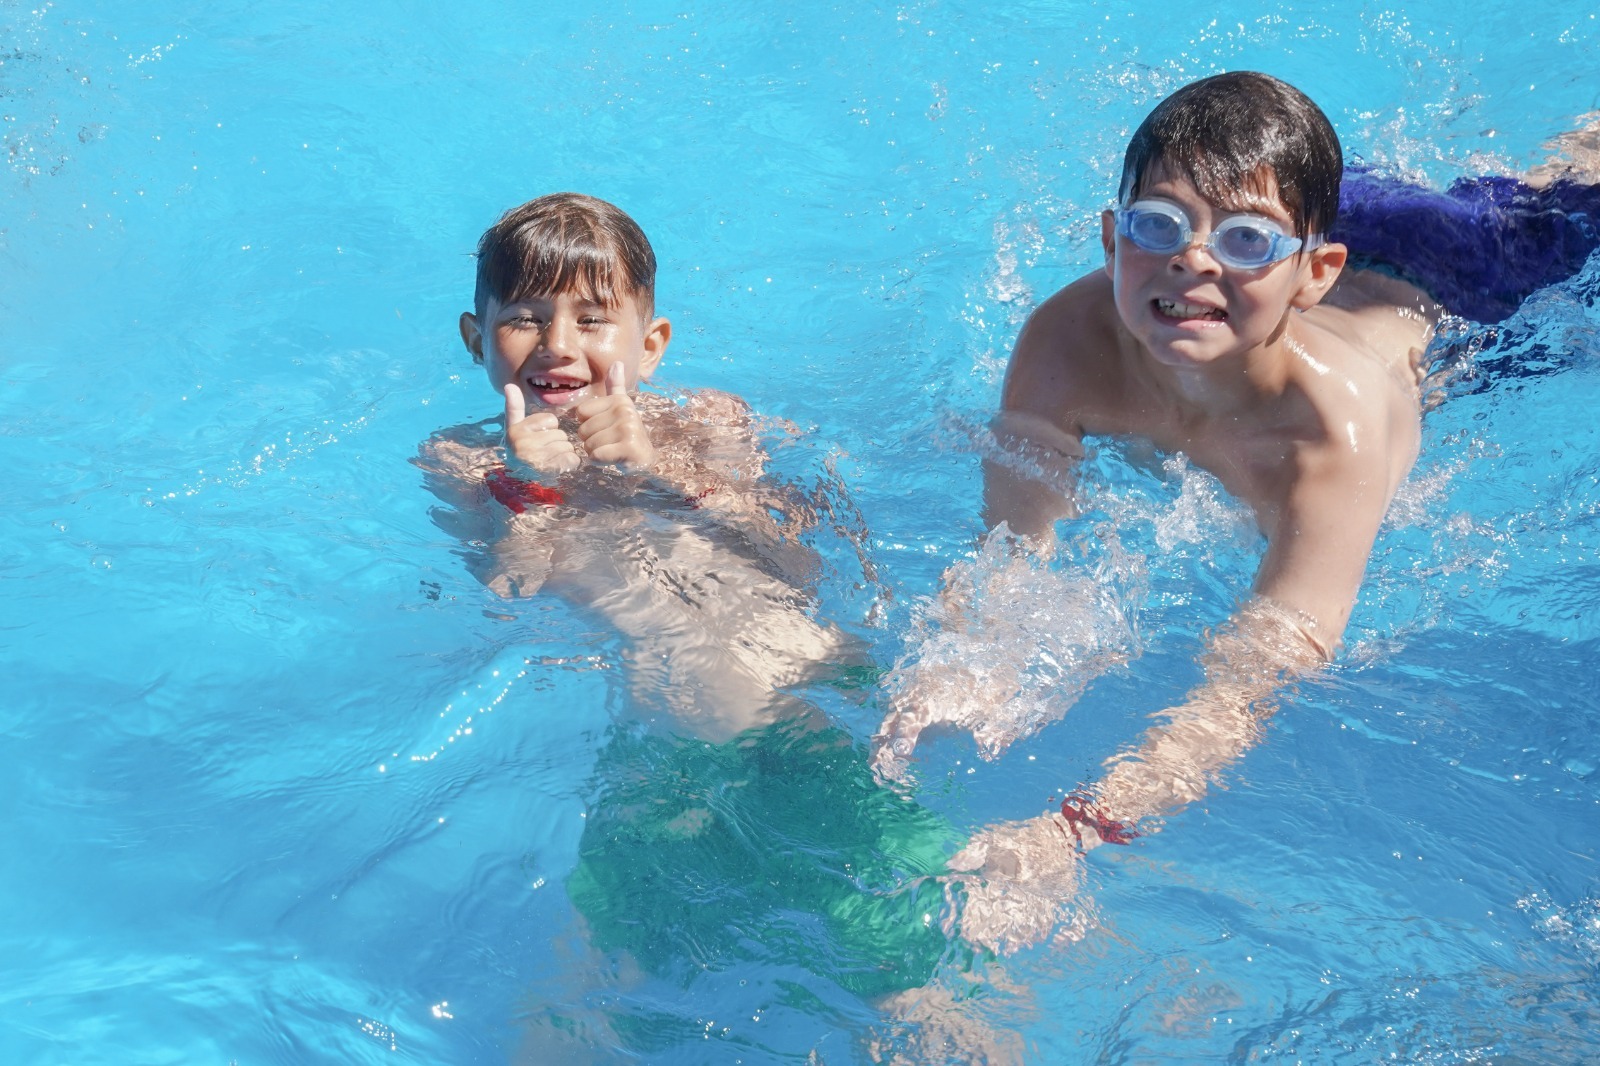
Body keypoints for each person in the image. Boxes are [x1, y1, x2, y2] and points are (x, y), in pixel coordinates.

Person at [871, 73, 1600, 955]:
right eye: (1158, 225)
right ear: (1111, 241)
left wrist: (1077, 830)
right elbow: (1015, 539)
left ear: (1314, 275)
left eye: (1239, 240)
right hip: (1326, 214)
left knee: (1569, 181)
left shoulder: (1328, 439)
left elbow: (1254, 677)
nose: (1193, 260)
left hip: (1472, 288)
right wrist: (967, 661)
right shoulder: (1068, 341)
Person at [418, 194, 989, 1053]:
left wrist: (654, 472)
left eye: (592, 319)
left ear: (650, 345)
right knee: (594, 986)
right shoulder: (464, 460)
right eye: (524, 319)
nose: (558, 344)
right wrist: (535, 486)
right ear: (477, 338)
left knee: (916, 974)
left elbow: (792, 562)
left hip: (804, 715)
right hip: (666, 743)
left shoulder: (707, 424)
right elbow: (513, 590)